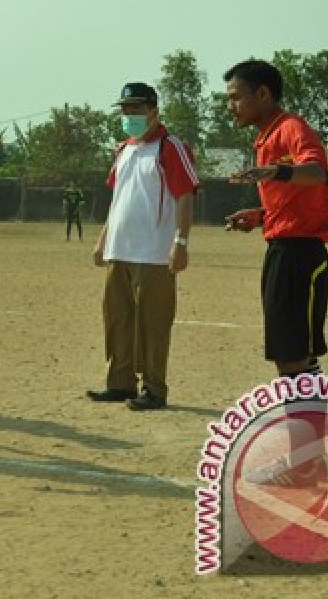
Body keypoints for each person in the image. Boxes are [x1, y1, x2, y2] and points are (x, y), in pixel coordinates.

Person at [223, 59, 328, 378]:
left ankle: (307, 424)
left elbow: (317, 172)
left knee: (292, 356)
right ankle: (310, 421)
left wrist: (277, 170)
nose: (230, 106)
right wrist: (260, 216)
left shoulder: (291, 128)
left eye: (235, 97)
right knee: (290, 352)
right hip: (283, 250)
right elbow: (297, 201)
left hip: (300, 255)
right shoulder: (265, 137)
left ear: (263, 94)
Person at [87, 82, 198, 411]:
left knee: (153, 321)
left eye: (136, 108)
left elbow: (186, 195)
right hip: (119, 251)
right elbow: (117, 199)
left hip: (154, 253)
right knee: (117, 318)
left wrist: (181, 241)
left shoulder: (169, 146)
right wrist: (102, 240)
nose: (129, 114)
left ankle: (153, 389)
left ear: (153, 110)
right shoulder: (123, 149)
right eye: (125, 109)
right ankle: (120, 383)